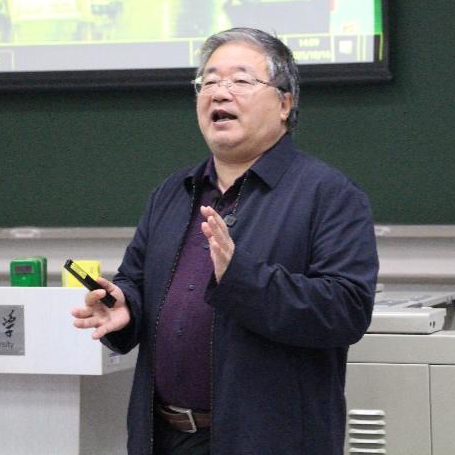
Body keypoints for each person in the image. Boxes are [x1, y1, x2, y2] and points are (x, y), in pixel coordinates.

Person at [71, 27, 378, 455]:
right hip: (164, 436)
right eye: (209, 82)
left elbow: (346, 311)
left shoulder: (328, 194)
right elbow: (135, 280)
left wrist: (241, 277)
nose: (219, 93)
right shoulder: (173, 192)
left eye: (240, 80)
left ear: (285, 103)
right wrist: (127, 307)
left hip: (269, 442)